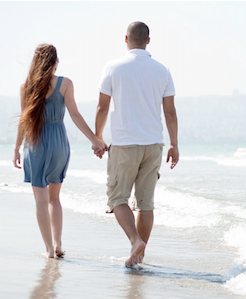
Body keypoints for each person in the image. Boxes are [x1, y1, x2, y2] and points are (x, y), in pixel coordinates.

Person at [94, 21, 179, 268]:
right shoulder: (162, 70)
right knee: (145, 203)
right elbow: (170, 112)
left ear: (126, 39)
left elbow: (102, 106)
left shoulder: (113, 67)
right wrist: (174, 144)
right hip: (154, 144)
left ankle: (134, 243)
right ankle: (139, 257)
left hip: (124, 144)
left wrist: (98, 137)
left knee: (117, 198)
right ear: (148, 41)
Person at [13, 44, 107, 258]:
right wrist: (95, 140)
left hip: (35, 143)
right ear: (55, 62)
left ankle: (48, 249)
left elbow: (23, 121)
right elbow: (74, 115)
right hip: (58, 142)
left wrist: (16, 147)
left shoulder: (26, 86)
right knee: (54, 198)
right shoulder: (65, 84)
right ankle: (58, 245)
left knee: (40, 200)